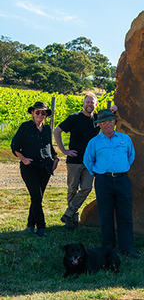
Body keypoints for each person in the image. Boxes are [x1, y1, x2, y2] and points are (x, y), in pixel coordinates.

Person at [53, 92, 117, 229]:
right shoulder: (74, 118)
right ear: (83, 103)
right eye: (87, 102)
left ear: (96, 104)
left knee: (87, 188)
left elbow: (110, 121)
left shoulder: (98, 119)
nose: (89, 104)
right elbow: (56, 131)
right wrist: (64, 150)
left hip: (89, 161)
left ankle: (68, 213)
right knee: (72, 189)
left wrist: (115, 110)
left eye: (92, 102)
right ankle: (73, 218)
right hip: (74, 160)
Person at [83, 109, 141, 259]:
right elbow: (88, 160)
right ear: (99, 125)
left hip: (122, 180)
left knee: (125, 214)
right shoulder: (94, 142)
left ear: (114, 122)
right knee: (106, 214)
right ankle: (108, 247)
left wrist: (121, 169)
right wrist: (98, 172)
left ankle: (127, 247)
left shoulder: (125, 139)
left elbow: (131, 156)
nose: (107, 124)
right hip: (104, 181)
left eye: (110, 121)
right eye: (103, 122)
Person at [11, 101, 59, 237]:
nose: (40, 115)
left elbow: (49, 146)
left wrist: (55, 158)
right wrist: (24, 159)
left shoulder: (47, 129)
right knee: (36, 196)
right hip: (29, 167)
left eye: (42, 113)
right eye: (37, 112)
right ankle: (41, 226)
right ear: (32, 113)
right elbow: (14, 146)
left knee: (38, 197)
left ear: (45, 115)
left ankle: (31, 224)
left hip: (45, 166)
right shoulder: (25, 127)